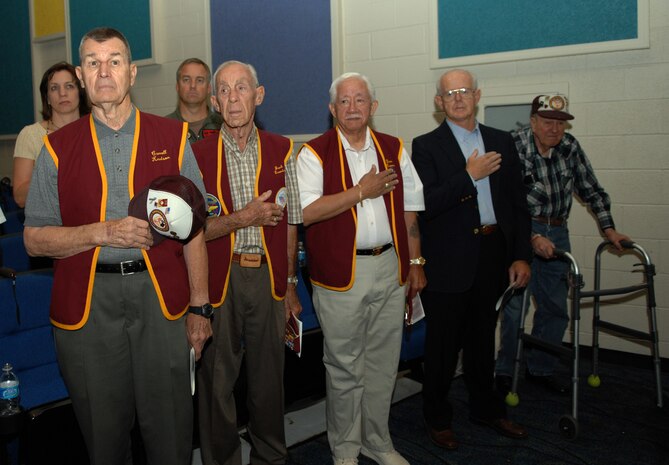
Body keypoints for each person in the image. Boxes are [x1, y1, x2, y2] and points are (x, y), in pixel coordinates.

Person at [23, 27, 212, 465]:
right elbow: (34, 238)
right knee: (104, 441)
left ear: (131, 73)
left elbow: (195, 230)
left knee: (171, 436)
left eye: (114, 61)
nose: (103, 71)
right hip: (88, 309)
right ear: (80, 75)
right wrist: (101, 232)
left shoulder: (174, 138)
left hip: (161, 301)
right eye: (92, 62)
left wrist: (201, 307)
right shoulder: (55, 149)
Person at [296, 72, 426, 465]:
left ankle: (378, 441)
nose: (353, 108)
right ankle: (346, 449)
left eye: (360, 100)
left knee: (384, 363)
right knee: (344, 366)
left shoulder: (394, 149)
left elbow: (410, 211)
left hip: (390, 267)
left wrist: (416, 263)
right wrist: (360, 193)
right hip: (340, 275)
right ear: (332, 109)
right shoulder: (313, 153)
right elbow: (305, 212)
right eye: (344, 101)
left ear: (373, 107)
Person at [411, 69, 531, 450]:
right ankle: (437, 417)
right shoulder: (426, 145)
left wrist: (520, 255)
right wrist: (468, 175)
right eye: (450, 93)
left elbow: (516, 204)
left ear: (477, 95)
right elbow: (426, 203)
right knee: (443, 346)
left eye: (464, 91)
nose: (458, 98)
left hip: (493, 252)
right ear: (439, 102)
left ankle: (486, 409)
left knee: (482, 339)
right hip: (448, 258)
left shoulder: (501, 141)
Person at [192, 60, 302, 465]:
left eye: (242, 88)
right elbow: (192, 233)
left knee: (269, 381)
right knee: (216, 382)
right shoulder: (195, 156)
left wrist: (290, 282)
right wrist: (245, 218)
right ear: (215, 101)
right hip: (218, 280)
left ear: (259, 95)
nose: (233, 97)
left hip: (269, 279)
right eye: (224, 89)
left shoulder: (284, 149)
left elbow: (291, 221)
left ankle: (271, 456)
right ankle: (221, 459)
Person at [495, 94, 631, 395]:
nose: (554, 129)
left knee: (556, 307)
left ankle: (540, 369)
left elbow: (592, 190)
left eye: (560, 124)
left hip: (557, 231)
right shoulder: (513, 146)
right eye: (547, 122)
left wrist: (609, 229)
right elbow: (502, 201)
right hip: (521, 232)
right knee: (515, 308)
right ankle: (504, 372)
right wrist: (530, 237)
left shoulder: (570, 148)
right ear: (533, 121)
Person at [12, 61, 89, 207]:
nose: (62, 93)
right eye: (54, 88)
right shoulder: (30, 135)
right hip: (49, 224)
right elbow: (20, 197)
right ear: (47, 98)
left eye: (69, 86)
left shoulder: (96, 130)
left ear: (80, 92)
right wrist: (57, 174)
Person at [166, 57, 223, 143]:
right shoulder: (164, 128)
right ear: (177, 86)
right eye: (186, 80)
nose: (192, 85)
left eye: (199, 80)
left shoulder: (223, 126)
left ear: (209, 88)